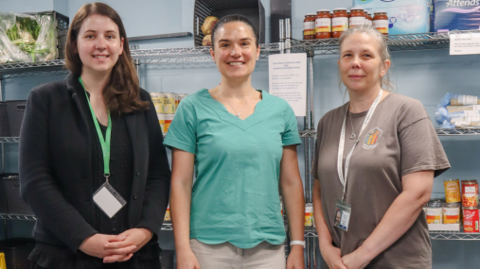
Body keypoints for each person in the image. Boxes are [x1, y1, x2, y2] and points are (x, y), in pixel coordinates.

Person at [19, 3, 171, 269]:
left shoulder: (140, 102)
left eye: (110, 36)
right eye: (90, 36)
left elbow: (158, 175)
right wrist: (84, 238)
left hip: (134, 255)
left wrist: (145, 231)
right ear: (75, 44)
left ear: (121, 45)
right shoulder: (46, 100)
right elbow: (35, 182)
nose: (101, 44)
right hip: (66, 255)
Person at [164, 14, 305, 269]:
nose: (235, 52)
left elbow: (291, 182)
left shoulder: (280, 110)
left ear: (258, 50)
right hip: (207, 247)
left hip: (267, 247)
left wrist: (297, 245)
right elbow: (181, 183)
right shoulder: (192, 108)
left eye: (244, 43)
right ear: (213, 53)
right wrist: (183, 248)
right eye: (225, 44)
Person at [312, 25, 450, 269]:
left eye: (366, 55)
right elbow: (319, 188)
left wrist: (362, 256)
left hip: (396, 260)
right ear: (339, 65)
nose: (356, 63)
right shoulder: (327, 122)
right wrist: (325, 247)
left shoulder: (407, 111)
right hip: (339, 261)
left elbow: (417, 194)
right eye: (348, 55)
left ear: (384, 66)